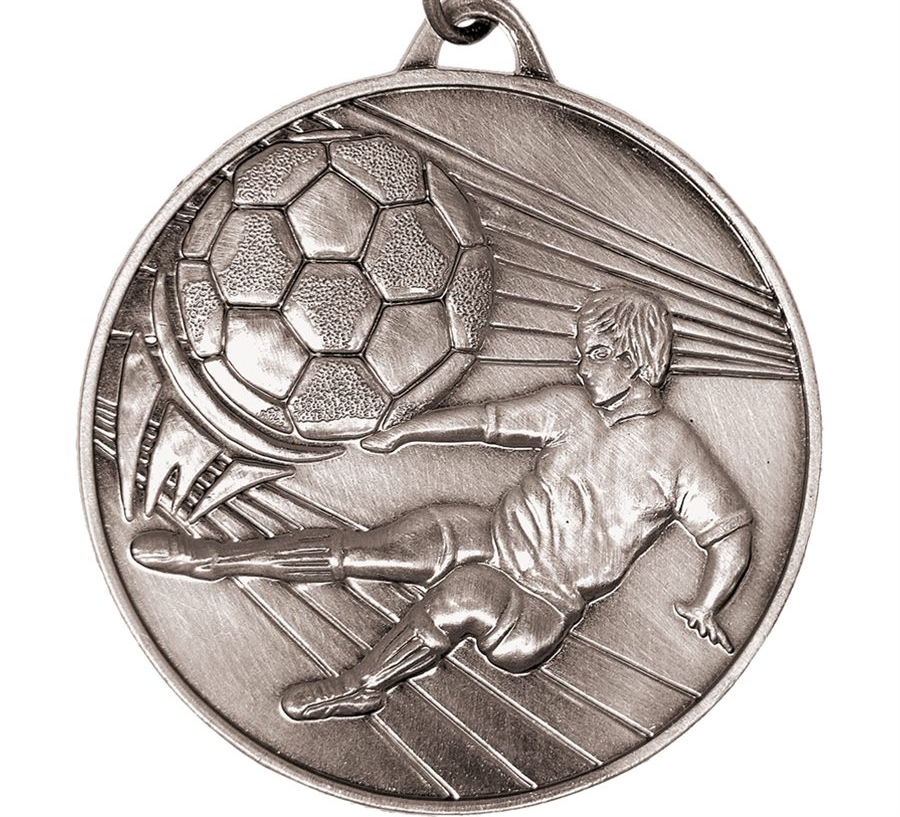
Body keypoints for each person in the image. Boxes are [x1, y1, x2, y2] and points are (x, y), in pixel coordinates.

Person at [132, 287, 753, 721]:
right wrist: (407, 432)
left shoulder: (678, 449)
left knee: (466, 592)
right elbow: (486, 419)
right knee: (375, 547)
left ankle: (359, 687)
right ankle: (213, 557)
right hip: (491, 535)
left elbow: (730, 531)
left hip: (539, 607)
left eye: (593, 352)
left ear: (634, 358)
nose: (580, 364)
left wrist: (707, 602)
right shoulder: (569, 408)